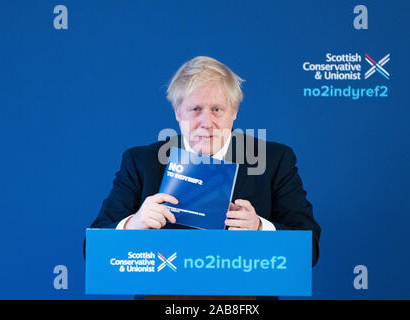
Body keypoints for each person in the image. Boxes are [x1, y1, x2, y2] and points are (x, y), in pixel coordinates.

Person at [88, 56, 321, 299]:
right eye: (195, 109)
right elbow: (93, 254)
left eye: (217, 109)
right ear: (178, 112)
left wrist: (260, 228)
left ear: (234, 112)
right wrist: (134, 225)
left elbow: (309, 252)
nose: (206, 122)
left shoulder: (274, 160)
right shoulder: (141, 163)